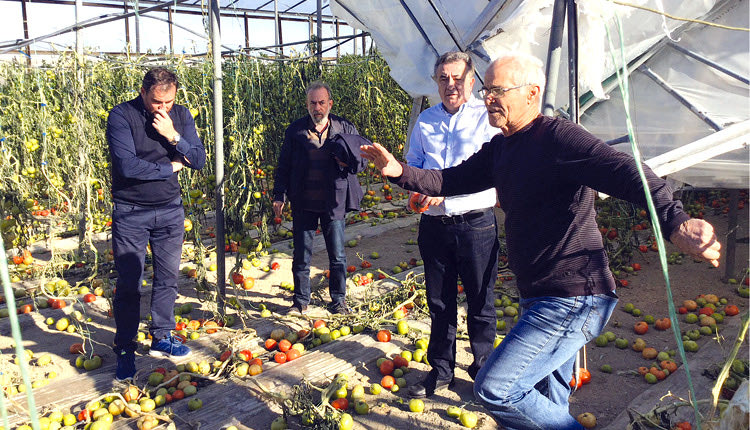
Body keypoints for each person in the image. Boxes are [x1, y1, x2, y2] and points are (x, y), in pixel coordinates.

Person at [361, 53, 721, 429]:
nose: (487, 98)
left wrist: (674, 219)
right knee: (550, 398)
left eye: (498, 90)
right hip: (538, 294)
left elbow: (626, 169)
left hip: (572, 297)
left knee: (494, 389)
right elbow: (449, 180)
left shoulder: (558, 138)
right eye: (486, 90)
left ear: (532, 93)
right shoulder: (501, 148)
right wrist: (398, 171)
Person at [405, 51, 501, 399]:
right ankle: (441, 369)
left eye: (458, 78)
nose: (451, 85)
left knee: (481, 299)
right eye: (443, 78)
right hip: (434, 226)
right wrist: (418, 193)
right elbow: (413, 164)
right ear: (436, 82)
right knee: (439, 301)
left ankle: (483, 369)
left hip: (475, 223)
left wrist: (446, 190)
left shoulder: (486, 119)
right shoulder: (425, 121)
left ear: (471, 81)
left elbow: (492, 171)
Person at [107, 67, 206, 381]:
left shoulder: (181, 115)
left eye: (168, 102)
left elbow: (200, 159)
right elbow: (127, 165)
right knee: (129, 283)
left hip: (169, 210)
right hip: (131, 210)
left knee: (167, 278)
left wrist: (172, 136)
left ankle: (162, 336)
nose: (162, 108)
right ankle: (125, 347)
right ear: (143, 91)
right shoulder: (122, 116)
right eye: (155, 102)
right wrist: (172, 166)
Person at [273, 81, 366, 316]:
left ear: (330, 104)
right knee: (301, 255)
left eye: (322, 102)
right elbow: (283, 165)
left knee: (337, 255)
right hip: (303, 200)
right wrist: (279, 195)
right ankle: (300, 301)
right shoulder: (295, 131)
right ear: (307, 104)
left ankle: (338, 301)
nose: (317, 107)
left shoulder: (345, 128)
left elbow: (363, 159)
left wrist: (349, 162)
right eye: (313, 103)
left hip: (334, 202)